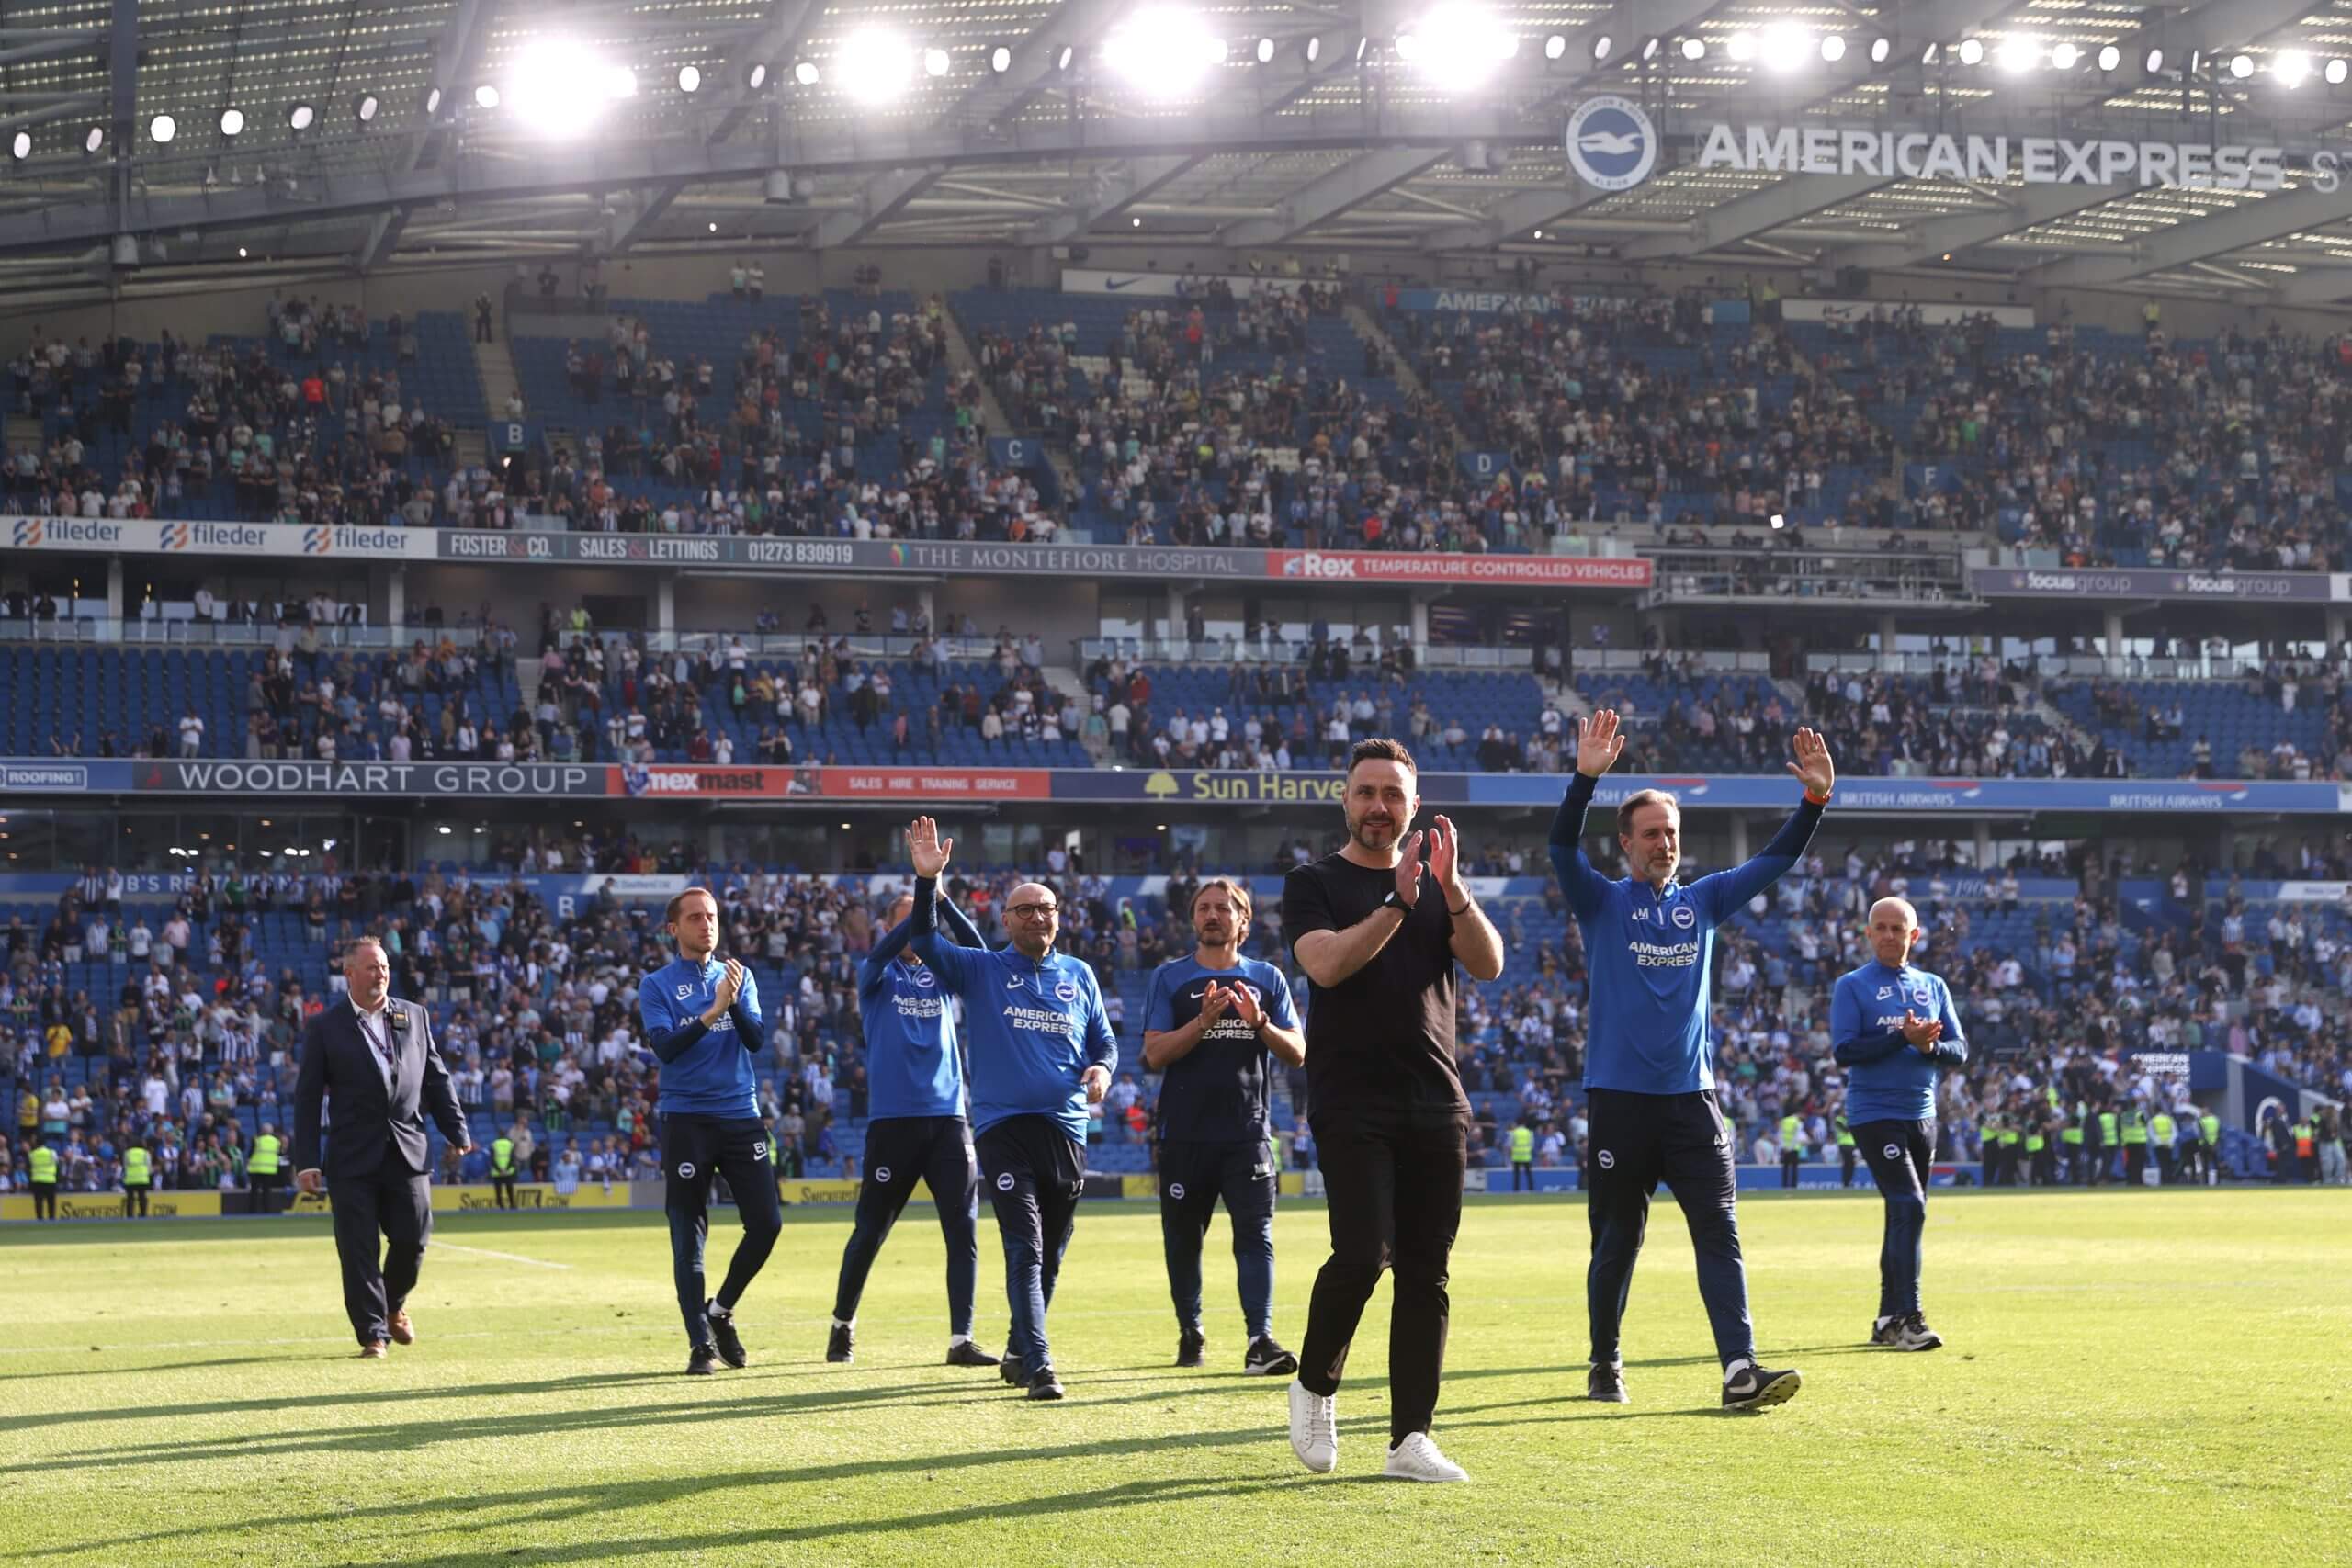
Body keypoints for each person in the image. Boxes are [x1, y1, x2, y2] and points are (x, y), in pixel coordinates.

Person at [1550, 708, 1829, 1411]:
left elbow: (1776, 860)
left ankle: (1740, 1368)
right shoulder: (1604, 902)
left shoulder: (1704, 901)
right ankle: (1605, 1359)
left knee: (1720, 1229)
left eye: (1671, 832)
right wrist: (1583, 781)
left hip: (1693, 1101)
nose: (1664, 842)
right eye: (1651, 833)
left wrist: (1814, 802)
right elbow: (1560, 849)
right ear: (1626, 844)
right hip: (1618, 1099)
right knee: (1617, 1240)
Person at [1281, 738, 1503, 1484]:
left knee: (1426, 1270)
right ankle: (1314, 1385)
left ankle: (1411, 1437)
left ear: (1414, 805)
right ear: (1346, 800)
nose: (1379, 806)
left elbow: (1489, 963)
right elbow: (1326, 964)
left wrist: (1450, 887)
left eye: (1393, 794)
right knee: (1361, 1253)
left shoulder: (1441, 885)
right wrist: (1399, 901)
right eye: (1367, 791)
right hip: (1350, 1098)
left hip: (1437, 1100)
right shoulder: (1312, 881)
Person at [906, 816, 1117, 1402]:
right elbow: (924, 943)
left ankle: (1021, 1349)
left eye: (1045, 906)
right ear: (1004, 922)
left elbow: (1105, 1043)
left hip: (1067, 1132)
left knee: (1048, 1258)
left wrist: (1102, 1070)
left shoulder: (1080, 976)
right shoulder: (982, 969)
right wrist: (929, 886)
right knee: (1024, 1246)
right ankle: (1042, 1364)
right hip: (1004, 1132)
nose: (1036, 915)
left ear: (1059, 915)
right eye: (1023, 909)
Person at [827, 863, 1002, 1371]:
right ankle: (843, 1323)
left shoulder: (944, 973)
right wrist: (923, 903)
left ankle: (961, 1339)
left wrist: (941, 902)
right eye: (910, 924)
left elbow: (983, 956)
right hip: (893, 1121)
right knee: (870, 1231)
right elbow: (892, 945)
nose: (921, 933)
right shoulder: (875, 972)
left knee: (962, 1230)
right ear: (891, 929)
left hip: (948, 1118)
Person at [1142, 876, 1306, 1376]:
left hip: (1248, 1136)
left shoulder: (1268, 979)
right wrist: (1202, 1023)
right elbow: (1153, 1055)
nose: (1212, 915)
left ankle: (1260, 1339)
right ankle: (1190, 1329)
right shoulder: (1169, 979)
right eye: (1204, 908)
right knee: (1183, 1241)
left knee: (1255, 1236)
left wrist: (1259, 1023)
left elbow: (1298, 1053)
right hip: (1184, 1136)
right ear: (1193, 919)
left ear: (1243, 919)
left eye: (1223, 908)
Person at [293, 937, 472, 1357]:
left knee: (414, 1238)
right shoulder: (326, 1026)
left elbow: (436, 1076)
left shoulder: (414, 1015)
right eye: (372, 967)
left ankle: (393, 1305)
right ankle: (373, 1333)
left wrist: (456, 1130)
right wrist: (306, 1161)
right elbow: (307, 1097)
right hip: (351, 1156)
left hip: (407, 1148)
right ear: (350, 973)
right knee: (359, 1248)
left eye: (385, 966)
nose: (381, 974)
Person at [639, 886, 781, 1376]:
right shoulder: (655, 985)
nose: (707, 925)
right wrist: (711, 1012)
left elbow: (757, 1039)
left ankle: (720, 1310)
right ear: (674, 928)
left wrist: (734, 1002)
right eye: (696, 918)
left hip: (741, 1116)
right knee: (688, 1234)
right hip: (686, 1120)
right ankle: (700, 1343)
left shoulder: (739, 976)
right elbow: (666, 1048)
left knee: (768, 1224)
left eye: (712, 917)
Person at [1831, 897, 1965, 1352]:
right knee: (1910, 1205)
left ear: (1914, 935)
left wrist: (1929, 1049)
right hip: (1874, 1113)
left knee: (1903, 1214)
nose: (1889, 935)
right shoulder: (1852, 986)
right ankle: (1910, 1317)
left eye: (1897, 928)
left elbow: (1959, 1050)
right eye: (1880, 928)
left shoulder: (1933, 985)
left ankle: (1887, 1320)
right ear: (1868, 934)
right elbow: (1845, 1051)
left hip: (1922, 1114)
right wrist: (1900, 1038)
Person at [247, 1122, 282, 1213]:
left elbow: (250, 1155)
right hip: (270, 1170)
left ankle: (252, 1211)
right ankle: (267, 1211)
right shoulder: (277, 1142)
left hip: (256, 1170)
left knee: (254, 1192)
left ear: (262, 1131)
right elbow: (278, 1154)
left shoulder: (257, 1140)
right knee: (266, 1192)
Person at [28, 1134, 58, 1221]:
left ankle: (39, 1219)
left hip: (37, 1180)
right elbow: (56, 1162)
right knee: (51, 1202)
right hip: (50, 1180)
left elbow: (30, 1164)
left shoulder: (32, 1154)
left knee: (38, 1202)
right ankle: (51, 1218)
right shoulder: (52, 1153)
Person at [489, 1126, 519, 1209]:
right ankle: (512, 1204)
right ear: (505, 1134)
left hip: (497, 1172)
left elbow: (492, 1159)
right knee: (509, 1189)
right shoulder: (510, 1144)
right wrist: (506, 1169)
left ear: (498, 1134)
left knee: (498, 1190)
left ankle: (500, 1206)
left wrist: (499, 1169)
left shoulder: (494, 1144)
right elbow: (512, 1158)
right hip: (508, 1172)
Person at [122, 1136, 152, 1217]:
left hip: (130, 1179)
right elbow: (149, 1166)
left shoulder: (127, 1153)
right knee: (142, 1197)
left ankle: (130, 1215)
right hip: (142, 1178)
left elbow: (125, 1166)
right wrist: (147, 1175)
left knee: (130, 1198)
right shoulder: (145, 1153)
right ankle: (143, 1214)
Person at [1833, 1107, 1858, 1189]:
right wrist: (1851, 1121)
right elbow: (1846, 1130)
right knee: (1848, 1164)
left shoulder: (1845, 1120)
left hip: (1850, 1145)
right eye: (1844, 1111)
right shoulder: (1838, 1120)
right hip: (1844, 1145)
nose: (1845, 1112)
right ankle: (1846, 1182)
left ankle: (1847, 1182)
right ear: (1840, 1112)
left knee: (1850, 1164)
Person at [1778, 1111, 1803, 1189]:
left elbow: (1780, 1134)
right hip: (1794, 1148)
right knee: (1794, 1168)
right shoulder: (1797, 1122)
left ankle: (1784, 1186)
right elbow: (1796, 1137)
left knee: (1785, 1168)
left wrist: (1783, 1147)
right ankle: (1794, 1186)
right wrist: (1790, 1148)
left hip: (1785, 1148)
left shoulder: (1784, 1121)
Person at [1508, 1120, 1534, 1191]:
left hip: (1516, 1156)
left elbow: (1510, 1145)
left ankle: (1516, 1190)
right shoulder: (1529, 1132)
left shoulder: (1514, 1132)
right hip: (1526, 1156)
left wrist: (1511, 1155)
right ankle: (1531, 1189)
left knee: (1516, 1175)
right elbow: (1532, 1145)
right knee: (1529, 1174)